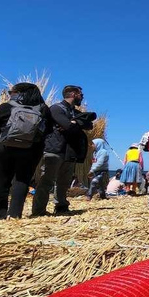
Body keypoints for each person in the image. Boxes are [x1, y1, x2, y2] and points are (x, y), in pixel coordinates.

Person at [0, 83, 51, 219]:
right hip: (30, 149)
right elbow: (48, 131)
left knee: (2, 181)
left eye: (11, 92)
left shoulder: (6, 107)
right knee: (22, 181)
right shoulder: (43, 109)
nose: (10, 94)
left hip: (4, 147)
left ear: (18, 93)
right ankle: (14, 214)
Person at [32, 85, 94, 216]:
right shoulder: (56, 108)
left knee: (64, 182)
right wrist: (73, 123)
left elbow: (89, 125)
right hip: (54, 149)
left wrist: (74, 122)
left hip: (69, 151)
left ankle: (61, 206)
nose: (82, 97)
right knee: (46, 180)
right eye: (81, 95)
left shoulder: (73, 111)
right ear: (73, 94)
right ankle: (38, 210)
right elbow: (67, 126)